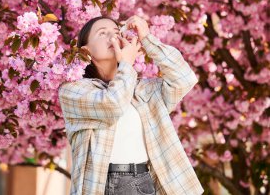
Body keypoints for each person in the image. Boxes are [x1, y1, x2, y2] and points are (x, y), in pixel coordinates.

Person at [58, 15, 204, 195]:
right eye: (102, 33)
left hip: (141, 182)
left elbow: (184, 79)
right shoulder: (73, 91)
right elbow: (113, 104)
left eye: (116, 32)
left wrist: (147, 39)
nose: (112, 37)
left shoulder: (142, 90)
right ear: (86, 50)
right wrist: (126, 64)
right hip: (100, 185)